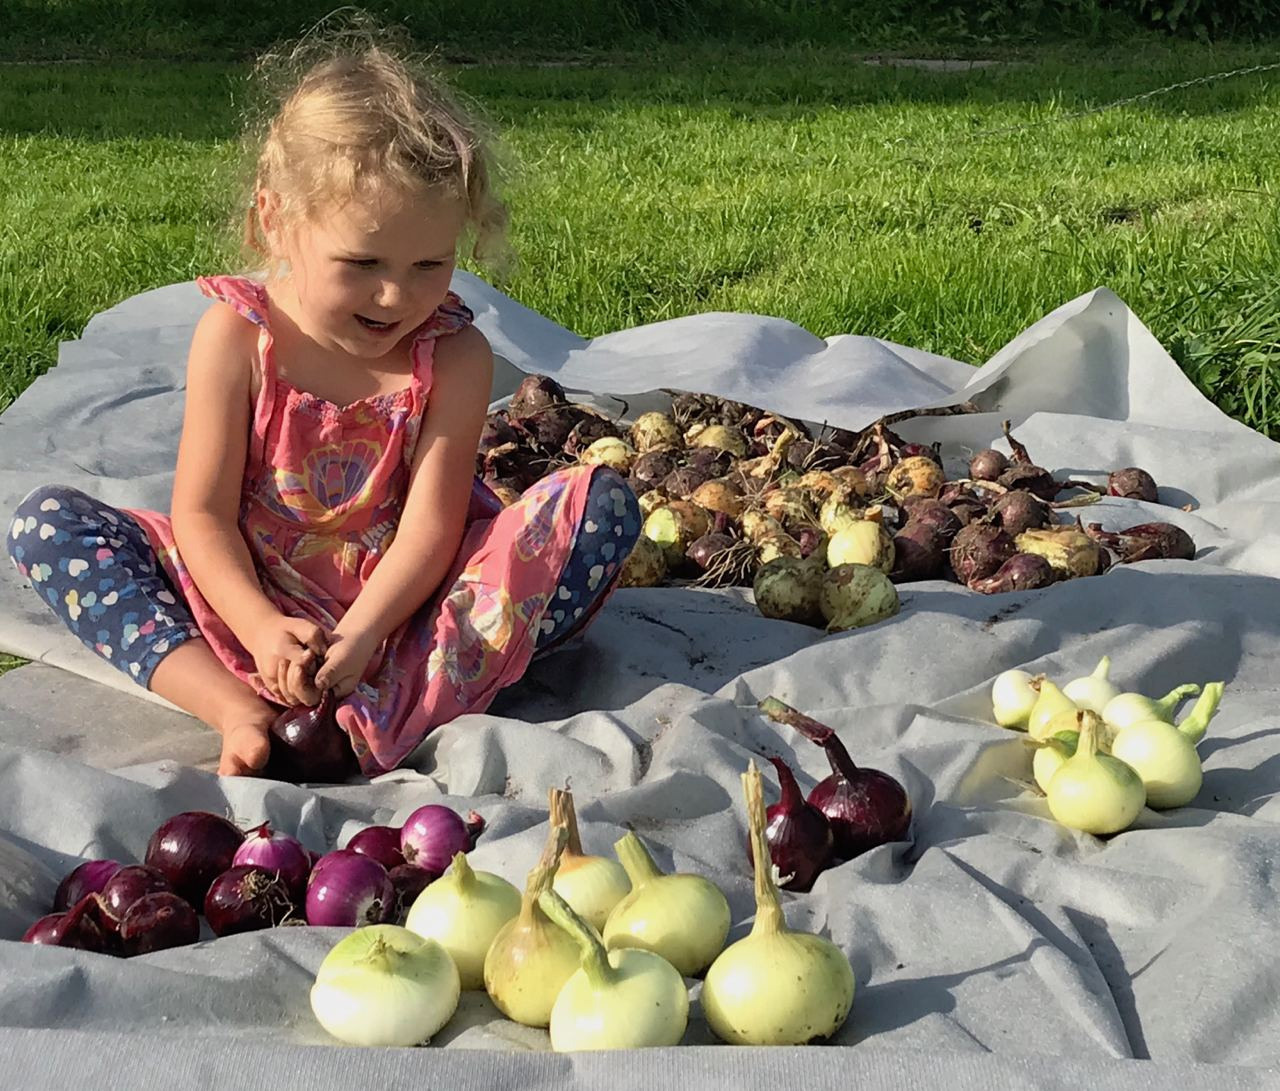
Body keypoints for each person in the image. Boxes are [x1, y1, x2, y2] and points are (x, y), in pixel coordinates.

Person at [6, 36, 640, 778]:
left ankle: (388, 709)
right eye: (363, 264)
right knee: (49, 526)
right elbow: (201, 516)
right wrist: (262, 626)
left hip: (405, 622)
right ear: (275, 221)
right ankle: (235, 707)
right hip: (244, 609)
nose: (396, 295)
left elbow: (433, 528)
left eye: (429, 264)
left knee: (600, 509)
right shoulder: (238, 337)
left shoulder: (455, 357)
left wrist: (367, 634)